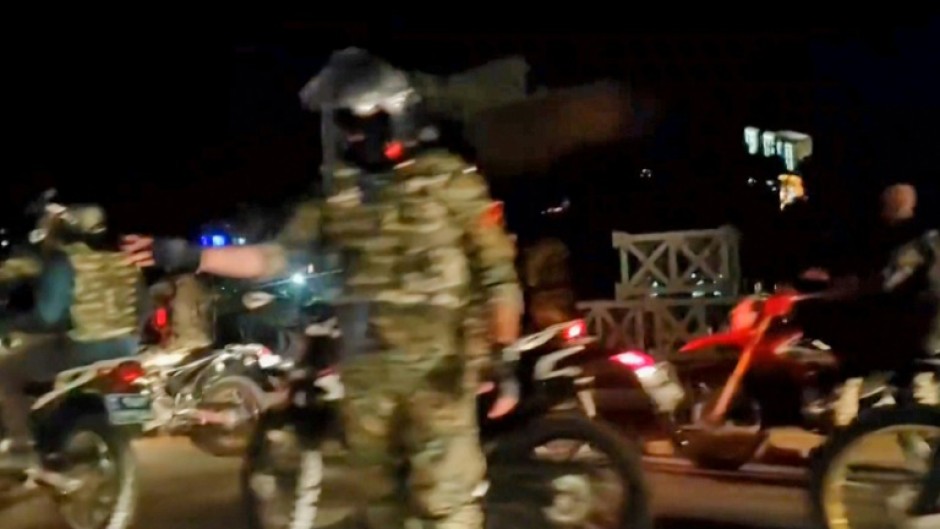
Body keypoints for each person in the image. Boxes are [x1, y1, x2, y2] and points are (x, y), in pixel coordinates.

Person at [122, 48, 522, 529]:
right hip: (368, 383)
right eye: (342, 123)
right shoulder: (340, 197)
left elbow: (497, 274)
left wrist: (503, 359)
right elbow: (276, 256)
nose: (350, 134)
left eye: (357, 120)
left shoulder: (451, 184)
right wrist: (187, 255)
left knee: (445, 510)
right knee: (382, 510)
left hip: (438, 381)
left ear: (394, 115)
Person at [0, 205, 149, 470]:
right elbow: (144, 307)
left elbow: (48, 316)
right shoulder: (125, 260)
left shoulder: (64, 261)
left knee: (8, 370)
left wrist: (13, 325)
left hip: (83, 348)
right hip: (126, 348)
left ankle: (21, 445)